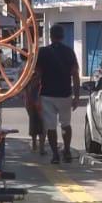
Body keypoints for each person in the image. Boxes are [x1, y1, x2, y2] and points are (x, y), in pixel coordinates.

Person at [35, 25, 80, 165]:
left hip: (47, 95)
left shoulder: (42, 52)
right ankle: (66, 150)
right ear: (62, 36)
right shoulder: (69, 52)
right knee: (66, 124)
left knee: (51, 126)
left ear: (51, 36)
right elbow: (75, 75)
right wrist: (76, 96)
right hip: (65, 94)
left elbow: (37, 75)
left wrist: (35, 94)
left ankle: (55, 155)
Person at [24, 66, 45, 156]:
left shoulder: (29, 74)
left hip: (31, 102)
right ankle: (41, 148)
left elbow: (25, 89)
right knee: (42, 125)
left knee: (33, 122)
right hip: (39, 102)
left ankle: (35, 145)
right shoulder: (41, 77)